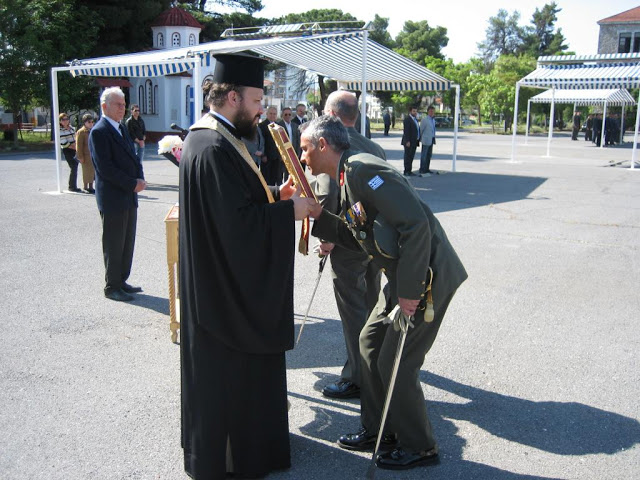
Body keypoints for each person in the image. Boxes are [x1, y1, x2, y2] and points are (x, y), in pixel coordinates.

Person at [178, 54, 318, 480]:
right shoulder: (213, 145)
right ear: (234, 96)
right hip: (226, 296)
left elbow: (236, 201)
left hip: (218, 283)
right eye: (257, 100)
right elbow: (236, 227)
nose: (262, 109)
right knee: (230, 378)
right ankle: (236, 458)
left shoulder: (218, 139)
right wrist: (290, 212)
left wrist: (275, 194)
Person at [303, 115, 467, 471]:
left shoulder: (362, 170)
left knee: (398, 360)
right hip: (403, 275)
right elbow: (357, 235)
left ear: (321, 145)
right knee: (369, 343)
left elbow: (415, 225)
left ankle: (420, 445)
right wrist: (318, 216)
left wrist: (408, 292)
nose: (303, 159)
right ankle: (379, 431)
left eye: (304, 149)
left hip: (426, 276)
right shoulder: (347, 175)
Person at [313, 90, 385, 400]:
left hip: (347, 241)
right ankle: (375, 365)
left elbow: (328, 192)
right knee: (370, 307)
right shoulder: (375, 146)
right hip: (375, 241)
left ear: (332, 114)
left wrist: (326, 237)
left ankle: (357, 376)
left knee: (354, 310)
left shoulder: (334, 145)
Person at [89, 87, 146, 302]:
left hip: (129, 195)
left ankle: (122, 280)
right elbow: (105, 169)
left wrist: (139, 178)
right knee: (114, 243)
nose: (123, 108)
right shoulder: (99, 131)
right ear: (105, 106)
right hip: (114, 197)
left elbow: (133, 158)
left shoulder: (121, 129)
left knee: (127, 241)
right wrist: (132, 184)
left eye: (124, 104)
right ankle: (111, 286)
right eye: (118, 105)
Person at [258, 106, 283, 185]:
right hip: (267, 157)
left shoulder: (278, 126)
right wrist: (263, 155)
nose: (272, 115)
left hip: (277, 157)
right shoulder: (261, 126)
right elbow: (261, 141)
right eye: (271, 113)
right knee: (267, 180)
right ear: (267, 114)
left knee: (277, 178)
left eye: (274, 114)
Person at [59, 113, 80, 193]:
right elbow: (64, 143)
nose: (65, 121)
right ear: (60, 121)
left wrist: (77, 145)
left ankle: (75, 185)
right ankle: (72, 186)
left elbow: (76, 138)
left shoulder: (71, 128)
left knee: (76, 166)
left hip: (75, 149)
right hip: (68, 150)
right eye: (63, 120)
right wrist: (74, 146)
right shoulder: (60, 130)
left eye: (66, 119)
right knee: (73, 166)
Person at [75, 113, 96, 193]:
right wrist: (80, 156)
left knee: (92, 171)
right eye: (89, 122)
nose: (91, 123)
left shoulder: (93, 130)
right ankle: (86, 186)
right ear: (84, 122)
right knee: (86, 171)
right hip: (85, 154)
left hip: (92, 154)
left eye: (92, 122)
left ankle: (91, 186)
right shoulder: (81, 132)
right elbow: (78, 145)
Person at [401, 106, 421, 177]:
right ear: (410, 112)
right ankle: (406, 171)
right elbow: (406, 131)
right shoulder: (407, 119)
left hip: (414, 141)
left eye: (416, 111)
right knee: (407, 156)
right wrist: (407, 141)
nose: (415, 113)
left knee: (411, 156)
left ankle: (409, 170)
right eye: (413, 111)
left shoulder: (415, 119)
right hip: (409, 142)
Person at [419, 106, 437, 176]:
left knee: (429, 155)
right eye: (431, 111)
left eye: (433, 111)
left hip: (431, 138)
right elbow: (421, 130)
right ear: (428, 112)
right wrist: (421, 138)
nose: (432, 112)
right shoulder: (425, 119)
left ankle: (427, 168)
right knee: (424, 155)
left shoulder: (433, 120)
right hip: (425, 139)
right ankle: (422, 169)